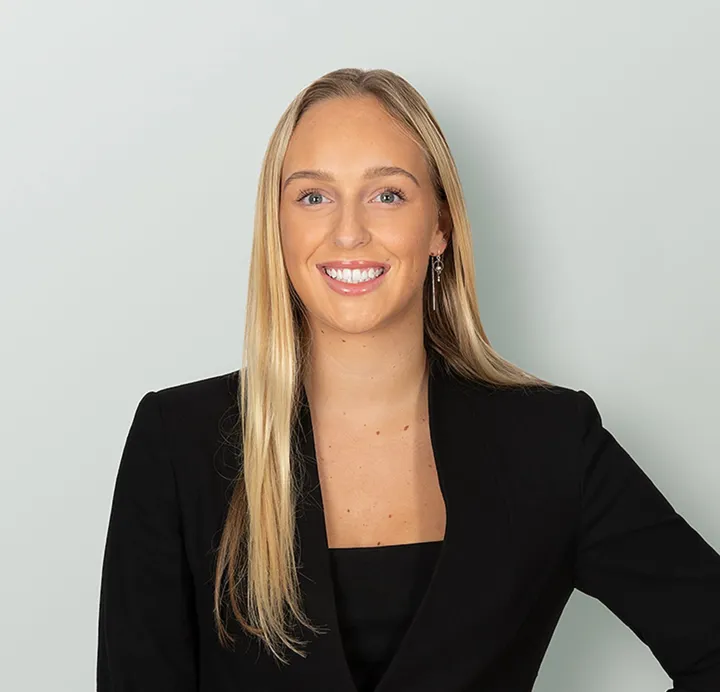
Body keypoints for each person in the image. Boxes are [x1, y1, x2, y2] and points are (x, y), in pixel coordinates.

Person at [96, 68, 720, 692]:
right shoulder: (176, 444)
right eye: (313, 197)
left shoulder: (551, 443)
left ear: (439, 225)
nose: (348, 232)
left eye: (387, 195)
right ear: (276, 225)